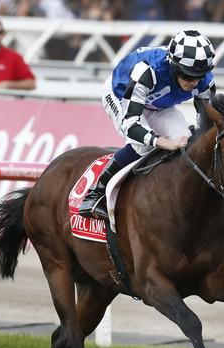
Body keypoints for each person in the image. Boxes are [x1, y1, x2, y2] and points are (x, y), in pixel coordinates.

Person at [78, 30, 216, 220]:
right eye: (188, 75)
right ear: (174, 66)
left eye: (199, 76)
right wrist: (161, 142)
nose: (194, 82)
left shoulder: (205, 81)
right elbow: (131, 124)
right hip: (121, 94)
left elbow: (208, 121)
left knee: (184, 138)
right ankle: (95, 193)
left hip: (158, 103)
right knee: (142, 144)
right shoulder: (147, 71)